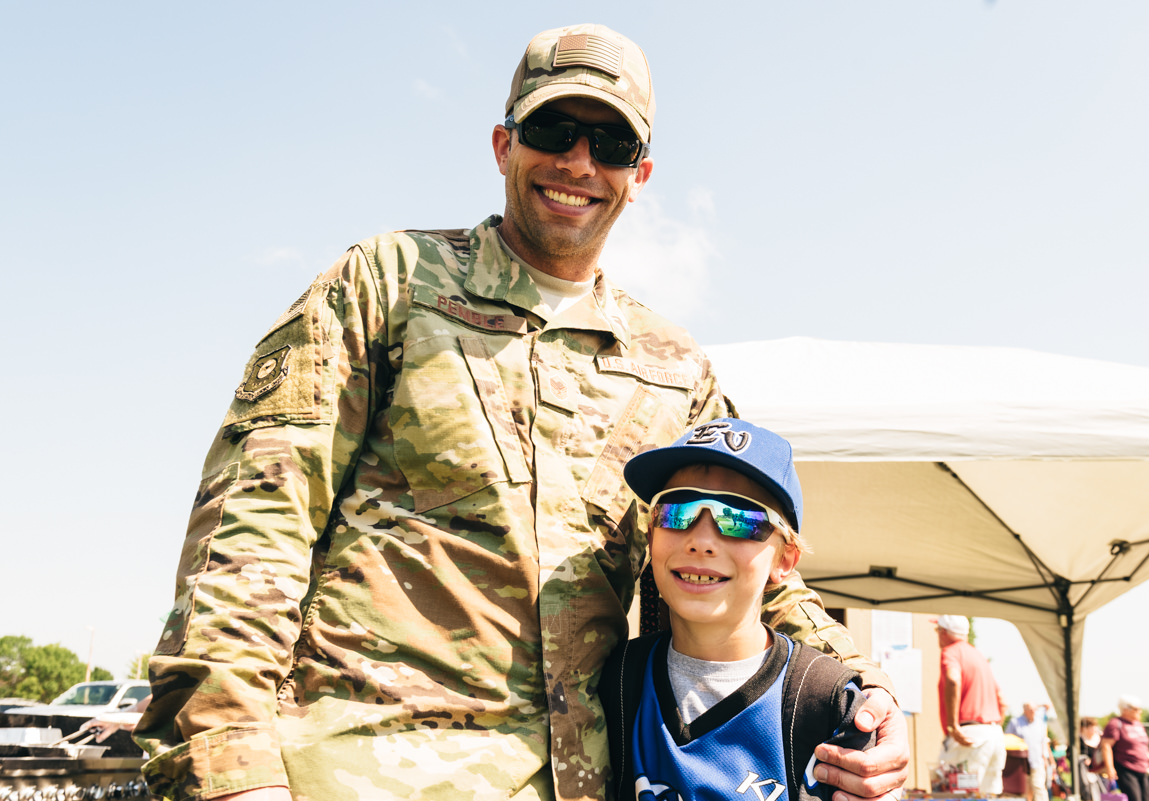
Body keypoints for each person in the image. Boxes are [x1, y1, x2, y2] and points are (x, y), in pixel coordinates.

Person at [132, 23, 910, 801]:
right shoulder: (389, 285)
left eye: (609, 143)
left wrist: (865, 692)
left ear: (639, 175)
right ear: (504, 144)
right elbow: (253, 534)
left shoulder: (674, 369)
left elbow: (749, 561)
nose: (578, 162)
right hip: (363, 773)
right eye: (553, 130)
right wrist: (234, 771)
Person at [599, 418, 872, 800]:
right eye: (675, 511)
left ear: (785, 561)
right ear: (650, 535)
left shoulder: (825, 701)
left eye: (740, 519)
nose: (701, 540)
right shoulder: (614, 680)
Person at [934, 614, 1007, 795]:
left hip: (970, 734)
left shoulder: (951, 651)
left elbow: (953, 679)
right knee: (988, 796)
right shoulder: (978, 655)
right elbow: (1002, 701)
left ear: (943, 632)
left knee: (951, 794)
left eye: (937, 630)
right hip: (994, 734)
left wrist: (953, 726)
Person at [1099, 695, 1149, 801]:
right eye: (1136, 709)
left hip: (1142, 768)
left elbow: (1143, 747)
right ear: (1125, 709)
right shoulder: (1115, 723)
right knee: (1134, 798)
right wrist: (1110, 768)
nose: (1140, 712)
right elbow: (1106, 746)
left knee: (1146, 798)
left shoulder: (1138, 725)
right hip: (1126, 768)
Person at [1006, 702, 1052, 801]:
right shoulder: (1015, 722)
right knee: (1023, 789)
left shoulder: (1040, 723)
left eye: (1034, 709)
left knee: (1039, 786)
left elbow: (1043, 742)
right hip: (1019, 763)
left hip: (1037, 760)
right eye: (1030, 709)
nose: (1033, 712)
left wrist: (1045, 758)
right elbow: (1007, 740)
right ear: (1024, 710)